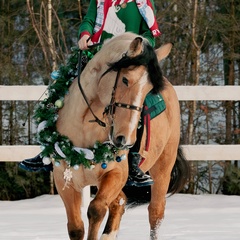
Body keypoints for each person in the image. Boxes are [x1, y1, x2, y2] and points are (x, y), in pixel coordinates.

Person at [19, 0, 161, 187]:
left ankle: (133, 160)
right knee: (60, 89)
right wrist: (85, 34)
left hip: (128, 63)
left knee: (136, 104)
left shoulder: (143, 4)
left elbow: (149, 35)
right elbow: (88, 20)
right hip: (97, 58)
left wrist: (135, 47)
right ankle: (47, 149)